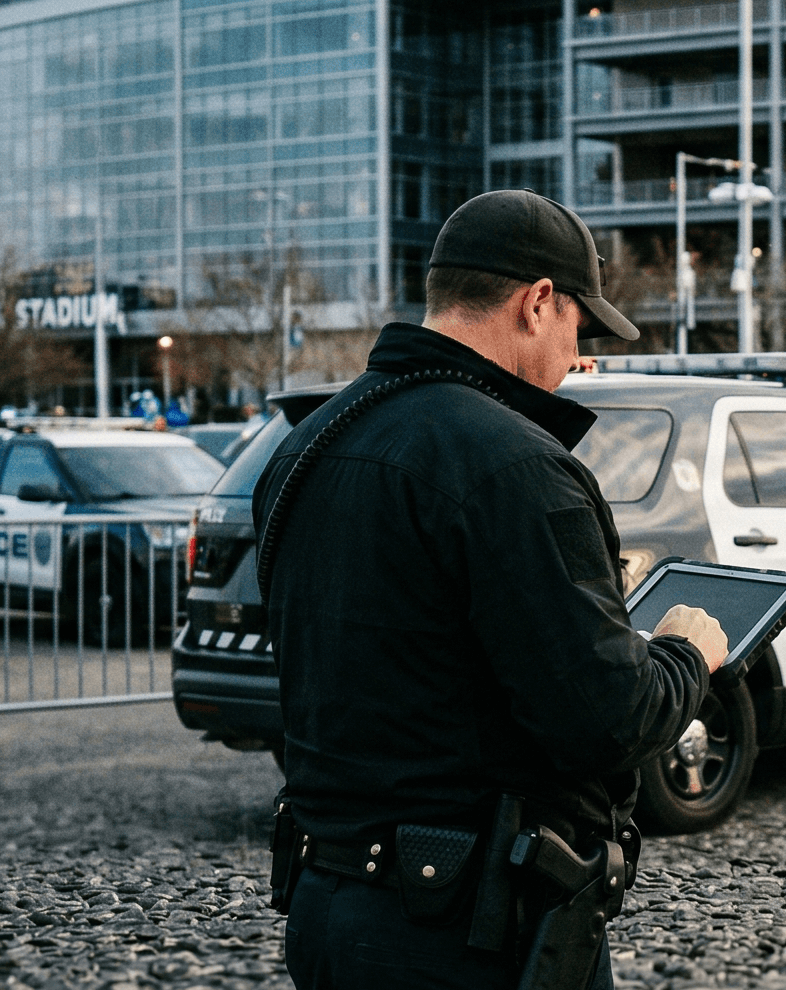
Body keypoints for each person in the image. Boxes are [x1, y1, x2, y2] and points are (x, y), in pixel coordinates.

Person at [258, 190, 726, 989]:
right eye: (580, 324)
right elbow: (605, 720)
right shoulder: (515, 464)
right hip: (466, 928)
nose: (580, 357)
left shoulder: (309, 441)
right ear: (537, 302)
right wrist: (688, 655)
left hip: (327, 902)